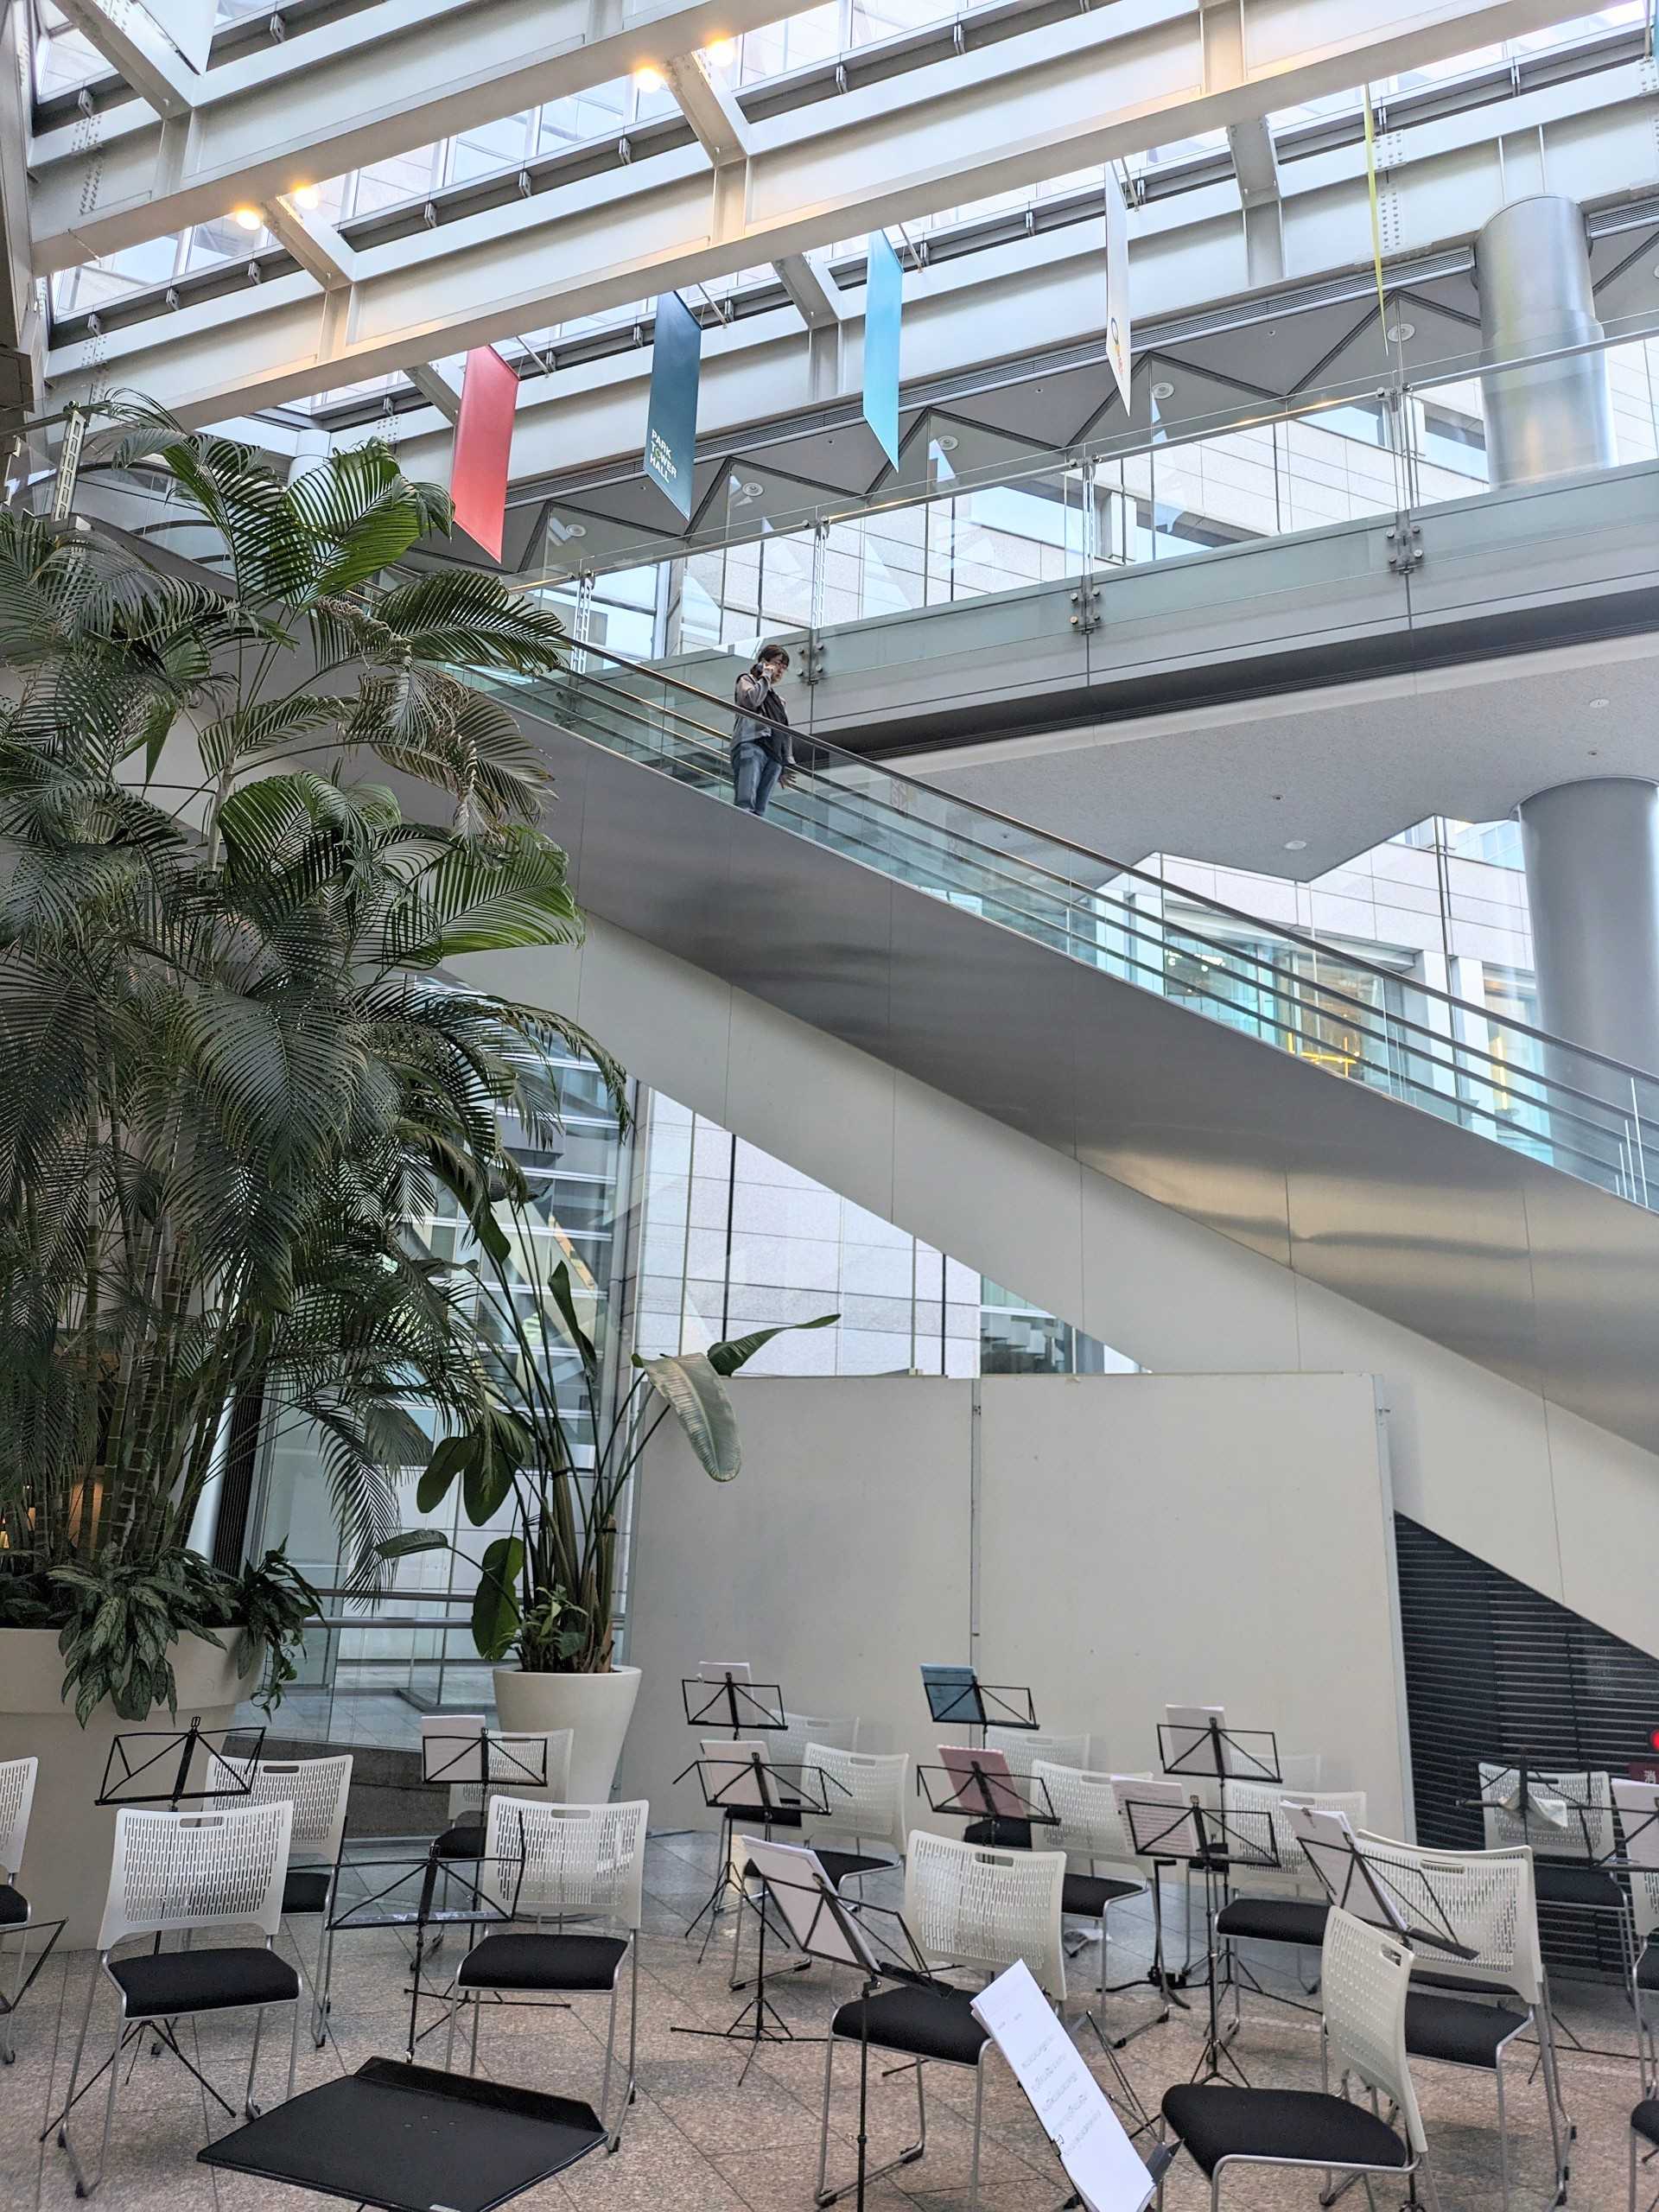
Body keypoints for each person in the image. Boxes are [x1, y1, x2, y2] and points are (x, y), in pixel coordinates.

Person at [731, 644, 793, 818]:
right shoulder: (747, 680)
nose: (781, 670)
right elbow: (751, 701)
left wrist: (786, 762)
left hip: (774, 756)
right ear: (764, 662)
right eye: (778, 663)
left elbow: (785, 732)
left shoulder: (779, 701)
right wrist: (765, 674)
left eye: (784, 667)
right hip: (752, 743)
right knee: (745, 802)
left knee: (760, 810)